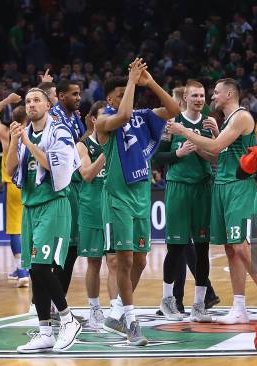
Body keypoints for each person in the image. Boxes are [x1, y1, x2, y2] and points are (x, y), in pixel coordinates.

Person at [97, 59, 180, 345]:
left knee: (141, 261)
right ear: (110, 99)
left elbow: (174, 110)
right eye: (119, 95)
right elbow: (122, 117)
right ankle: (131, 323)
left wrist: (150, 82)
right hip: (117, 197)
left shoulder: (143, 116)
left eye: (126, 93)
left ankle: (118, 311)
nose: (125, 98)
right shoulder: (103, 120)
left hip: (141, 195)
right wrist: (131, 81)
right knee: (125, 260)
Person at [167, 78, 257, 324]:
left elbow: (218, 147)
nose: (211, 97)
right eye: (200, 95)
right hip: (221, 185)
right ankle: (238, 306)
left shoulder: (241, 116)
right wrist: (198, 142)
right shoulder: (225, 121)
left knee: (240, 246)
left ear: (229, 94)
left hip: (238, 186)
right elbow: (219, 154)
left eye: (215, 93)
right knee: (231, 248)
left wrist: (187, 133)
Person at [6, 87, 82, 353]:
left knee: (41, 268)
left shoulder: (60, 131)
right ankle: (45, 332)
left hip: (53, 204)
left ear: (48, 105)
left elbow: (54, 165)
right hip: (30, 205)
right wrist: (14, 142)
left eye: (37, 100)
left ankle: (68, 319)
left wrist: (27, 142)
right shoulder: (24, 133)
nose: (31, 104)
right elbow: (8, 169)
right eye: (27, 101)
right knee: (34, 272)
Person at [154, 80, 217, 322]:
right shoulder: (173, 124)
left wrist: (206, 141)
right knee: (176, 247)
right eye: (195, 96)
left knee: (202, 249)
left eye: (202, 96)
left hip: (203, 188)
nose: (199, 99)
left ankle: (199, 305)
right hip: (178, 188)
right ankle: (168, 300)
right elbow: (157, 157)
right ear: (185, 99)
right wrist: (177, 154)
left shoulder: (209, 123)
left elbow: (215, 157)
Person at [76, 101, 119, 329]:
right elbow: (87, 175)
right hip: (91, 207)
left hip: (112, 205)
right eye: (105, 115)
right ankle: (94, 308)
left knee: (114, 261)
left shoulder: (117, 140)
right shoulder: (83, 144)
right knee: (94, 261)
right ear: (94, 119)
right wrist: (106, 153)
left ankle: (115, 310)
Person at [48, 79, 84, 297]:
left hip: (76, 185)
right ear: (61, 96)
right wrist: (92, 130)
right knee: (61, 247)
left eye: (79, 94)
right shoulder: (54, 117)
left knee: (71, 249)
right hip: (60, 188)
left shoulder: (73, 117)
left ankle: (59, 301)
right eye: (74, 94)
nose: (79, 97)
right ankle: (46, 300)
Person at [0, 93, 29, 287]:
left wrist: (5, 101)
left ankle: (22, 271)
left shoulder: (7, 133)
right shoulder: (36, 131)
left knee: (15, 229)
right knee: (29, 227)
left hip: (13, 185)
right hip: (31, 184)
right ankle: (26, 267)